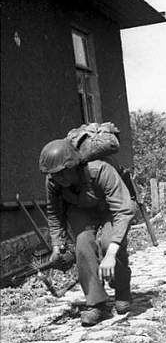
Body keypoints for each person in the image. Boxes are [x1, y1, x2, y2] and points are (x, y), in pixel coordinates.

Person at [39, 139, 136, 326]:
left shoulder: (100, 170)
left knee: (109, 243)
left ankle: (122, 289)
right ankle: (96, 302)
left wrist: (111, 254)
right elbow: (54, 214)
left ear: (75, 165)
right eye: (54, 175)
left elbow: (123, 211)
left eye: (63, 173)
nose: (59, 179)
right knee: (83, 245)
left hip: (111, 209)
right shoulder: (53, 182)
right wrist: (58, 245)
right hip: (81, 210)